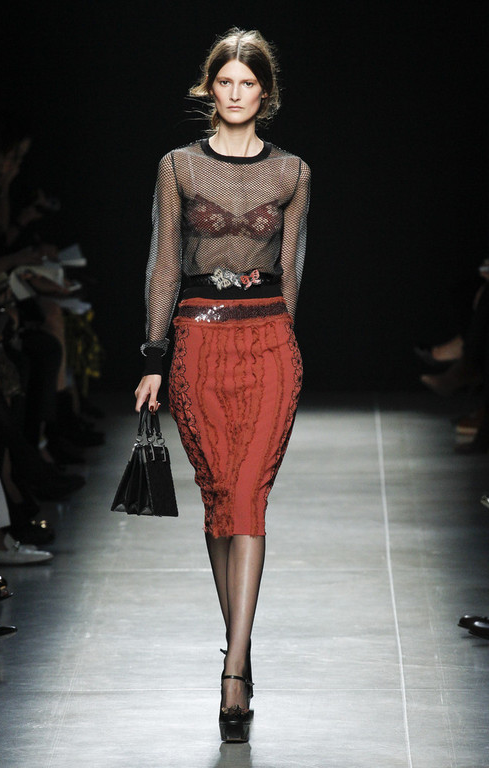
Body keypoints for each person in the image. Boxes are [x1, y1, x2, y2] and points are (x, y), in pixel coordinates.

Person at [134, 27, 310, 743]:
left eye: (248, 83)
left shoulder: (292, 172)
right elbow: (163, 263)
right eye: (226, 82)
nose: (236, 94)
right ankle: (239, 646)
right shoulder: (177, 166)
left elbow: (291, 270)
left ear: (264, 94)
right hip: (198, 346)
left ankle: (233, 669)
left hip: (267, 344)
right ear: (211, 88)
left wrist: (285, 346)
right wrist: (153, 357)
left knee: (248, 498)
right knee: (218, 500)